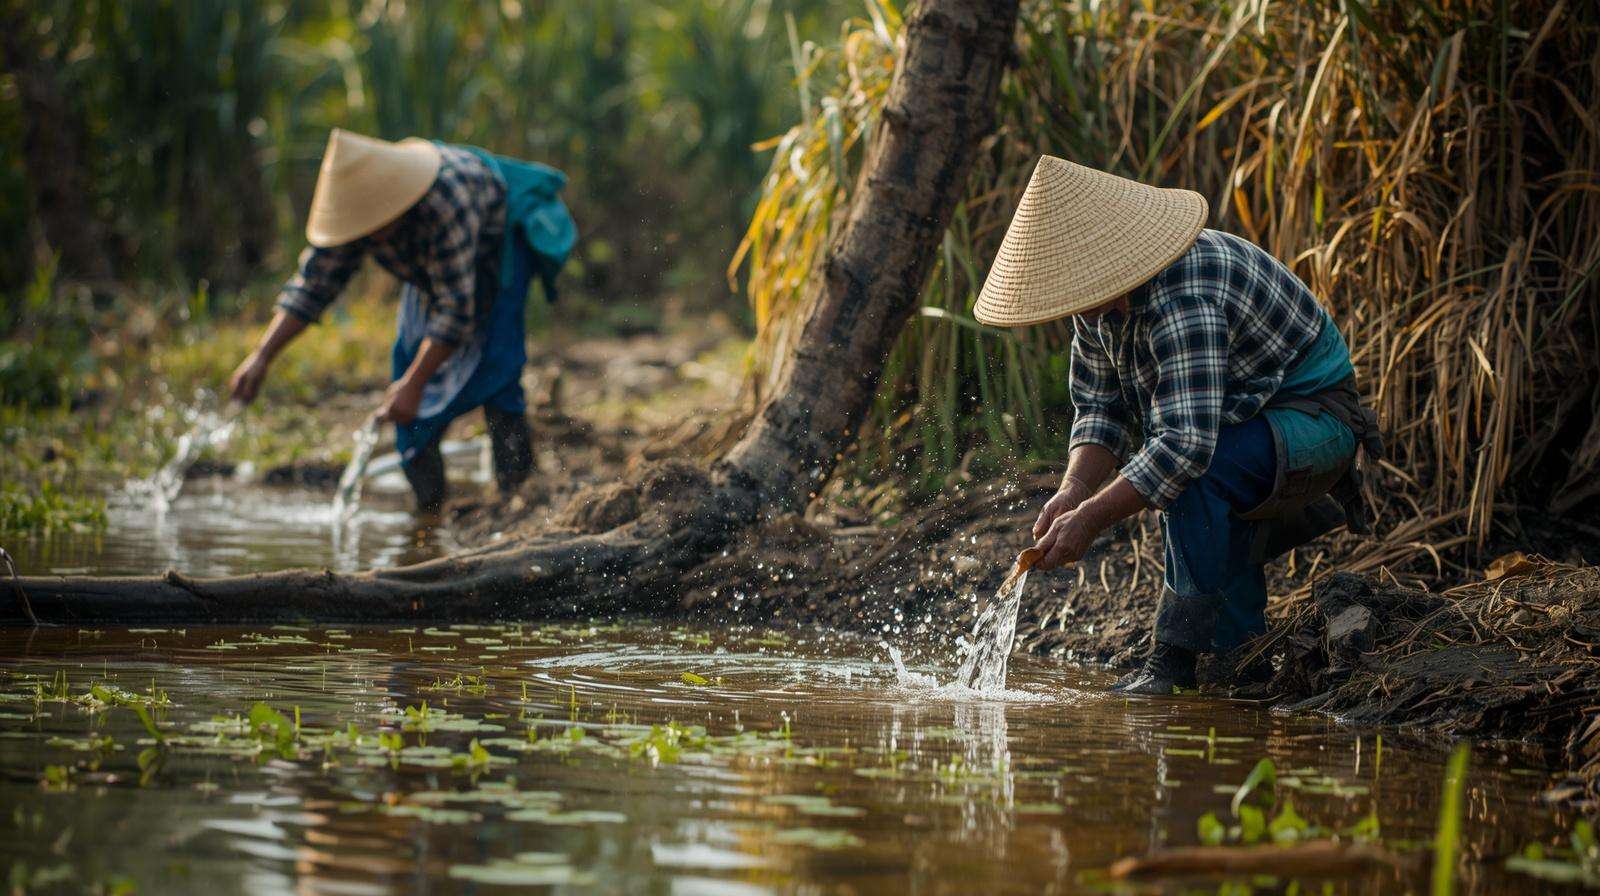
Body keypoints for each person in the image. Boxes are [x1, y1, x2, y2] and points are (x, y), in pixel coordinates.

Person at [974, 156, 1381, 695]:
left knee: (1199, 477)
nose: (1082, 310)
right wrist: (1072, 489)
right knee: (1212, 502)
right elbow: (1100, 410)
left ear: (1115, 260)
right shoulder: (1095, 308)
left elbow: (1185, 446)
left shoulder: (1185, 294)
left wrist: (1092, 518)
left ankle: (1174, 660)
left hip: (1317, 421)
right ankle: (1242, 663)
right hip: (1244, 426)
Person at [229, 129, 576, 512]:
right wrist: (262, 356)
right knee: (408, 379)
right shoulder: (353, 214)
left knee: (496, 368)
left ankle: (518, 498)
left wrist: (416, 382)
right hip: (432, 272)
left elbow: (456, 309)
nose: (363, 234)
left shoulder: (445, 202)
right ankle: (429, 513)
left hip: (491, 250)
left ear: (396, 208)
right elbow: (313, 287)